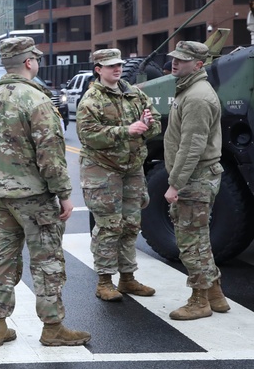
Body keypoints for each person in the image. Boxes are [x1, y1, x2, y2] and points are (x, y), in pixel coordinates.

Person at [0, 37, 89, 347]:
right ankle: (53, 327)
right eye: (35, 58)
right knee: (46, 260)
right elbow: (50, 154)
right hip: (33, 197)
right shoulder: (36, 101)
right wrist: (63, 193)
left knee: (3, 258)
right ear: (28, 62)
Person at [77, 48, 161, 302]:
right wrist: (126, 131)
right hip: (103, 171)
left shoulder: (135, 94)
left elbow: (156, 124)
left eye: (119, 64)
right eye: (110, 65)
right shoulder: (91, 100)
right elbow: (88, 135)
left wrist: (147, 125)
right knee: (108, 226)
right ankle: (104, 281)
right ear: (98, 69)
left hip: (132, 170)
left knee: (131, 224)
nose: (117, 69)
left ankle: (127, 278)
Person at [162, 41, 227, 320]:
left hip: (195, 178)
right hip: (198, 176)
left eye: (183, 60)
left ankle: (199, 301)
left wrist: (175, 184)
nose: (175, 62)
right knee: (199, 238)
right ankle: (215, 295)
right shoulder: (190, 89)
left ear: (199, 65)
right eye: (175, 58)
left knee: (190, 242)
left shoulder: (197, 97)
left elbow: (192, 146)